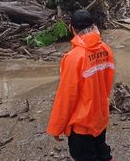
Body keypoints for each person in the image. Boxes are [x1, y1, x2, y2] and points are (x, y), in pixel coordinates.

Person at [47, 10, 115, 161]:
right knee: (102, 152)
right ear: (93, 26)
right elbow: (106, 84)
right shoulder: (106, 50)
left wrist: (56, 127)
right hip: (100, 118)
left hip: (82, 124)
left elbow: (66, 96)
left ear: (72, 29)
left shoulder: (73, 57)